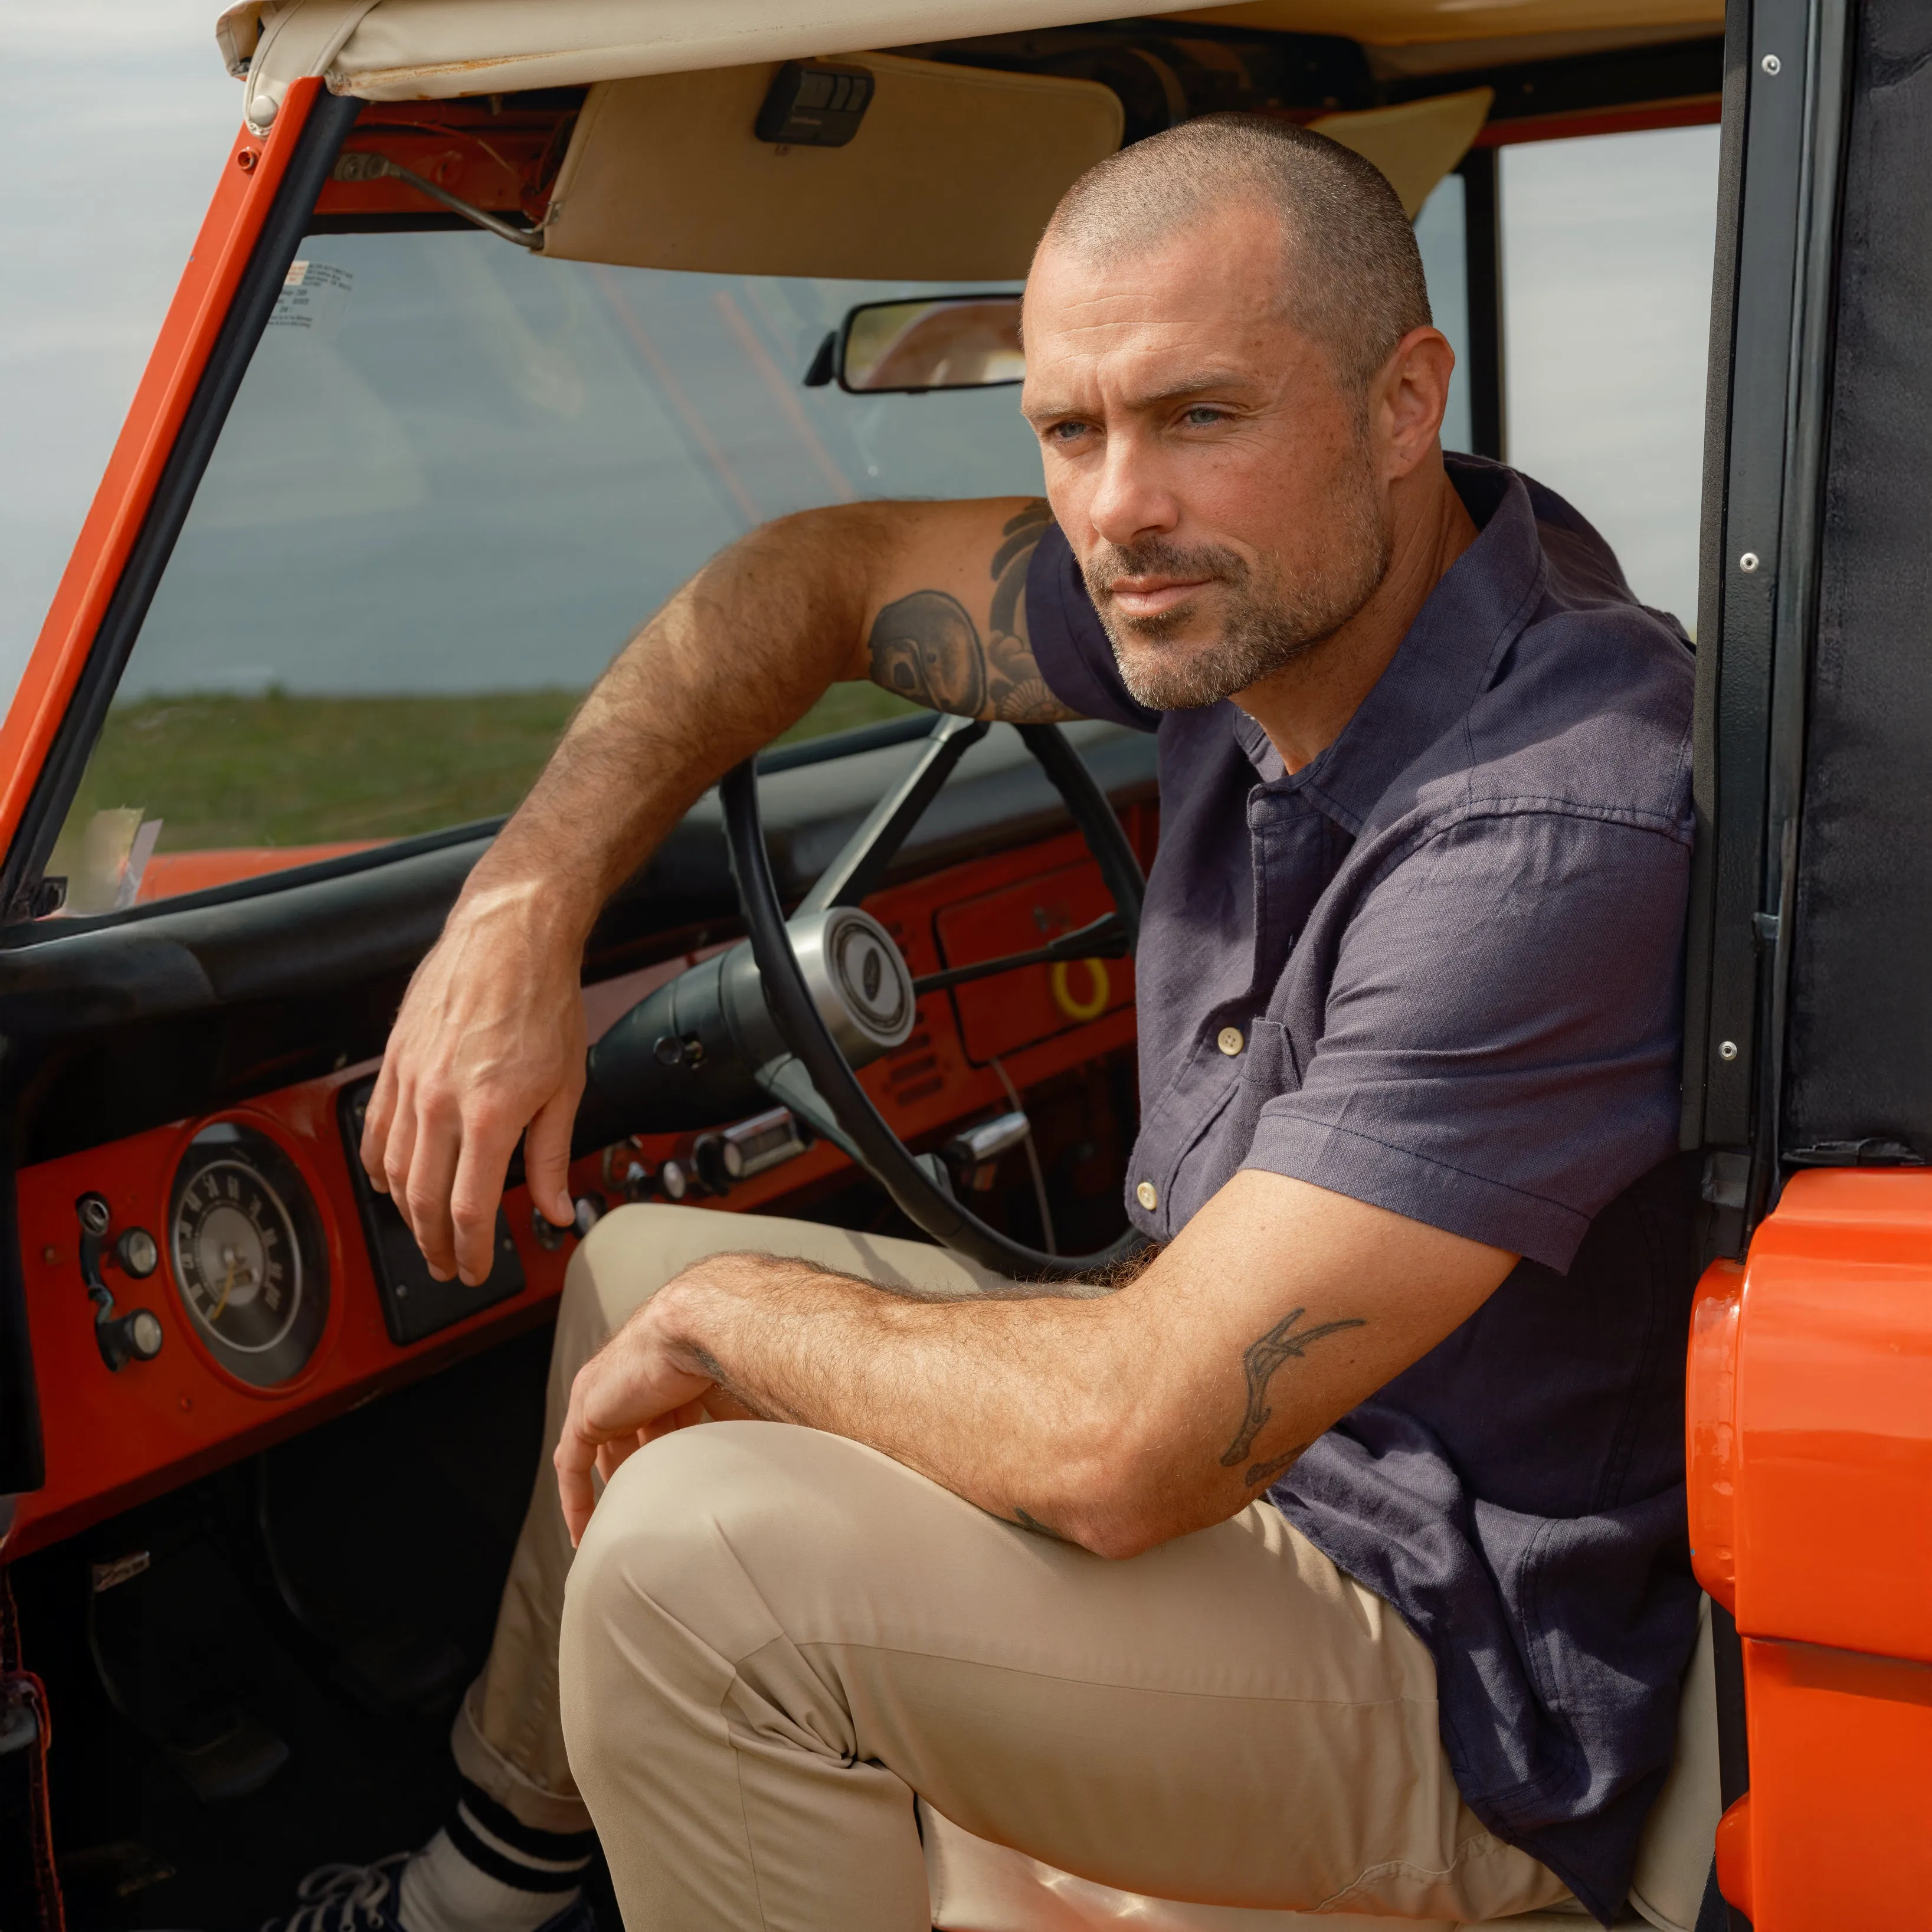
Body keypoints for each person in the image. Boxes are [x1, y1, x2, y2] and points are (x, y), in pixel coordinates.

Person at [294, 114, 1701, 1932]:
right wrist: (519, 912)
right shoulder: (1246, 596)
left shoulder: (1551, 816)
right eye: (1066, 429)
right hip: (1288, 1471)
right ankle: (486, 1896)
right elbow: (806, 575)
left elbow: (1139, 1445)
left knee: (692, 1569)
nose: (1117, 508)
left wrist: (757, 1322)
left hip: (1462, 1675)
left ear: (1402, 397)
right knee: (633, 1275)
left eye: (1199, 413)